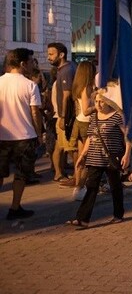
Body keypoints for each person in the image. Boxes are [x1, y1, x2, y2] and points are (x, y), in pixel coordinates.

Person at [66, 84, 132, 228]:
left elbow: (128, 136)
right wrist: (83, 155)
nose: (98, 104)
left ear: (109, 102)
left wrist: (127, 154)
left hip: (111, 158)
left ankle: (118, 214)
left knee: (115, 187)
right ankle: (82, 219)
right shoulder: (94, 117)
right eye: (96, 101)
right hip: (95, 157)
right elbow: (90, 137)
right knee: (91, 186)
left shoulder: (117, 117)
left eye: (101, 101)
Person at [0, 49, 43, 220]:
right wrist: (39, 134)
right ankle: (15, 207)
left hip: (2, 136)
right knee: (21, 174)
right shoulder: (30, 85)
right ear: (22, 64)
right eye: (31, 61)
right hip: (25, 136)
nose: (33, 65)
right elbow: (35, 113)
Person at [61, 61, 97, 201]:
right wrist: (99, 105)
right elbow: (87, 110)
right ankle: (80, 187)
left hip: (80, 122)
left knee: (81, 157)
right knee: (86, 159)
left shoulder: (78, 86)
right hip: (86, 124)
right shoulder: (86, 88)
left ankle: (79, 186)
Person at [47, 42, 76, 183]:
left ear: (61, 55)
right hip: (63, 116)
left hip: (66, 116)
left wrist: (63, 116)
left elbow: (67, 95)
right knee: (66, 147)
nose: (48, 57)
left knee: (67, 146)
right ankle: (60, 173)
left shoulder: (66, 70)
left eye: (51, 54)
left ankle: (64, 173)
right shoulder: (64, 69)